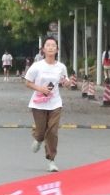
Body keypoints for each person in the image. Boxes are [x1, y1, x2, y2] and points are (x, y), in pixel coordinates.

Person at [23, 35, 75, 172]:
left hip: (55, 103)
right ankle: (38, 138)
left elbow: (65, 83)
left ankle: (51, 160)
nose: (51, 48)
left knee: (52, 131)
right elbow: (27, 82)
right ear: (43, 49)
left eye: (53, 46)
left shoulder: (61, 67)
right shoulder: (37, 66)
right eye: (48, 45)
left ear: (57, 49)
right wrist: (40, 89)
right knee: (41, 131)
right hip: (38, 103)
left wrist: (67, 83)